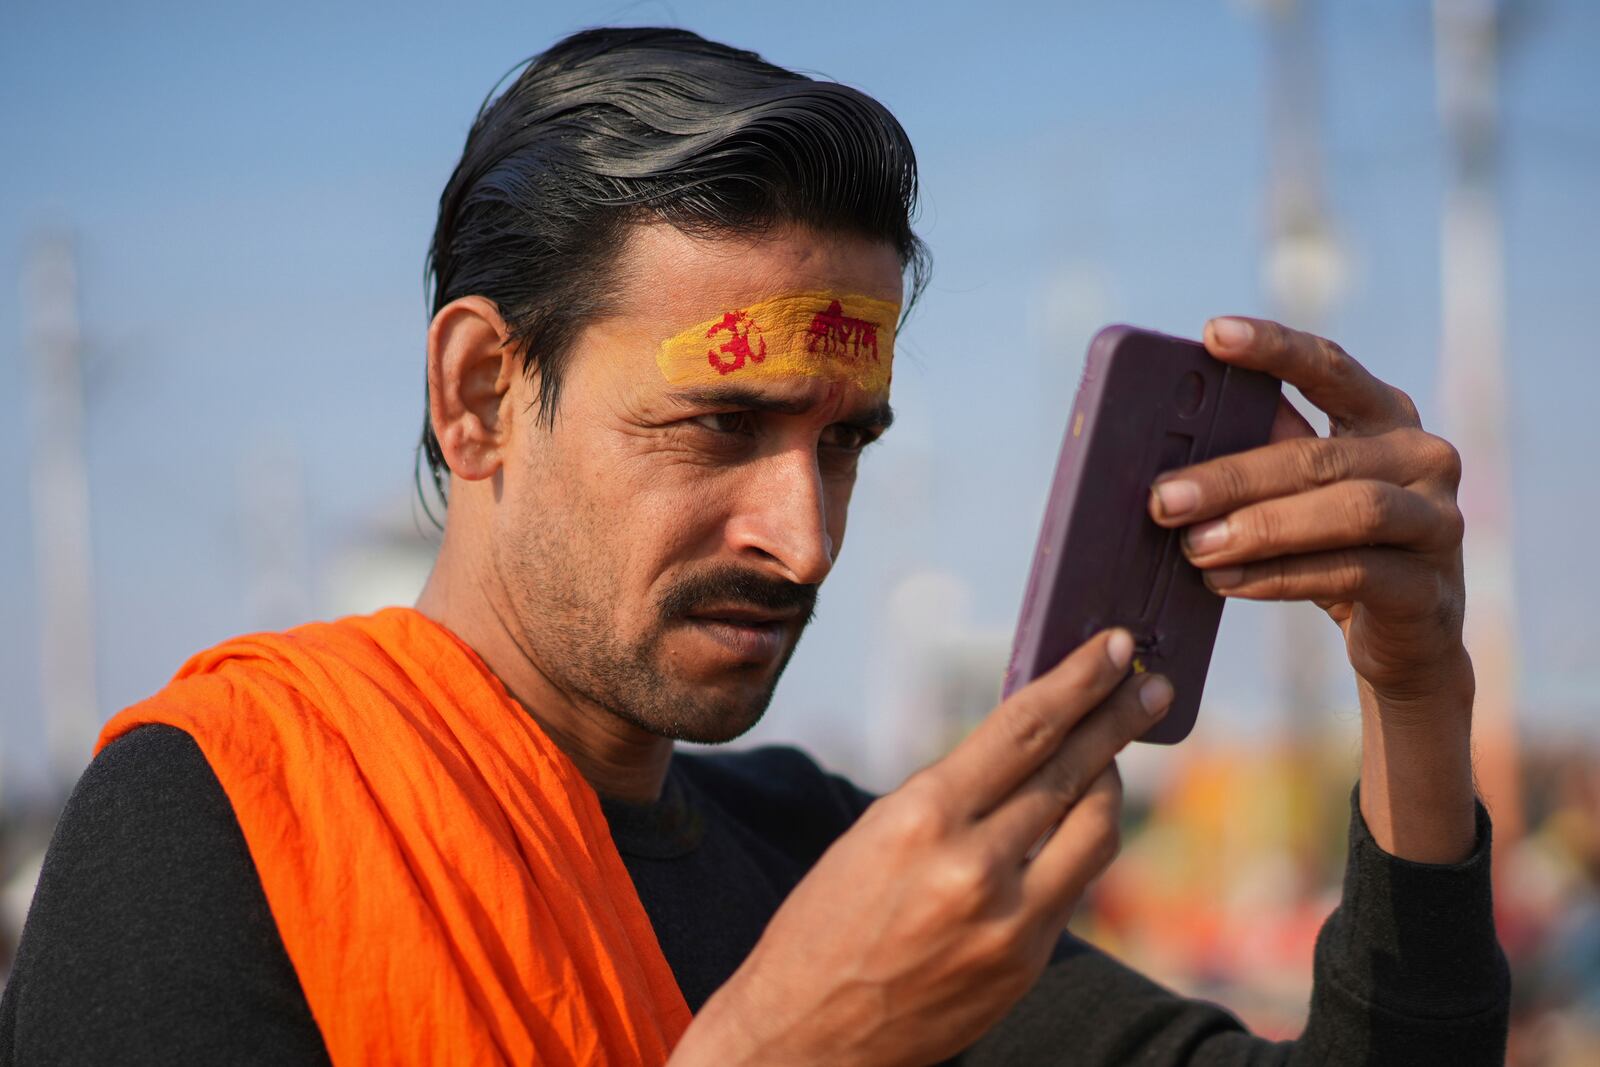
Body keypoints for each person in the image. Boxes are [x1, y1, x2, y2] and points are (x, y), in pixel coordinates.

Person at [0, 26, 1508, 1065]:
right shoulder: (227, 820)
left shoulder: (824, 858)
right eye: (717, 427)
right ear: (480, 395)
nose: (802, 541)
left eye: (844, 442)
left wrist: (1418, 695)